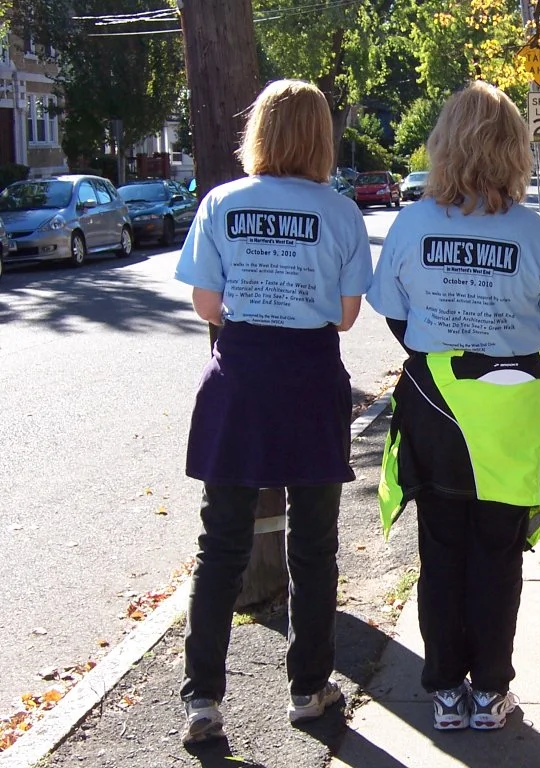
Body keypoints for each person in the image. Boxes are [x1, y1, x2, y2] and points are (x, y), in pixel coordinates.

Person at [367, 80, 540, 732]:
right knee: (498, 556)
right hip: (511, 416)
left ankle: (444, 691)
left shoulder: (413, 225)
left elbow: (398, 321)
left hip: (436, 411)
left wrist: (449, 360)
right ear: (516, 150)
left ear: (443, 146)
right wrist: (503, 358)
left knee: (440, 555)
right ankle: (490, 691)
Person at [173, 79, 373, 745]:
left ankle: (202, 698)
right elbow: (346, 317)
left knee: (220, 545)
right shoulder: (340, 212)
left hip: (241, 378)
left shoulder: (222, 202)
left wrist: (245, 303)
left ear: (257, 132)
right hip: (311, 379)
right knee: (312, 548)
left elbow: (206, 304)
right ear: (322, 137)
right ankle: (309, 688)